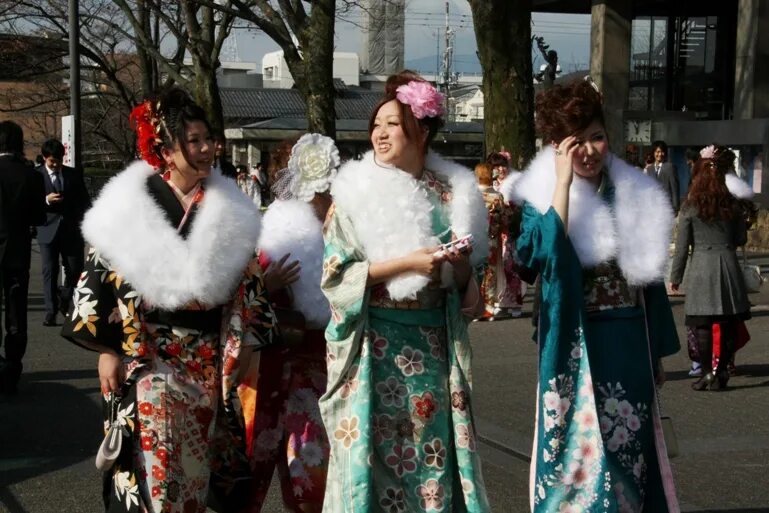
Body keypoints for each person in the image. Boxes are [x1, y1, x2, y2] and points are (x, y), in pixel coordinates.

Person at [60, 88, 279, 513]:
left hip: (206, 359)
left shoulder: (228, 207)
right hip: (147, 353)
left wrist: (249, 340)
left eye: (207, 140)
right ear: (165, 148)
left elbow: (248, 281)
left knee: (194, 472)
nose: (205, 150)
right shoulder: (130, 205)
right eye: (193, 141)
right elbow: (103, 274)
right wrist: (106, 350)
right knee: (154, 472)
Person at [320, 71, 491, 512]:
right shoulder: (354, 194)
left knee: (430, 460)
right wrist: (406, 265)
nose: (379, 133)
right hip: (375, 352)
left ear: (423, 129)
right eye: (376, 125)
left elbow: (472, 300)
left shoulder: (454, 195)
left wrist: (461, 269)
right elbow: (336, 279)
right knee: (377, 463)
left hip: (433, 348)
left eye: (392, 124)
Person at [510, 79, 680, 512]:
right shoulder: (540, 193)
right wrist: (562, 187)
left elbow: (650, 281)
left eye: (597, 137)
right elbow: (535, 258)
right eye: (575, 141)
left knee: (630, 441)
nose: (588, 150)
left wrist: (656, 350)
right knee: (573, 444)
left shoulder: (634, 191)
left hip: (627, 338)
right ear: (556, 145)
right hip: (572, 338)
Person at [246, 133, 339, 512]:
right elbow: (243, 299)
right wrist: (264, 286)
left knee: (309, 463)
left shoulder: (335, 225)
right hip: (282, 360)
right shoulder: (274, 229)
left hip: (314, 362)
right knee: (276, 459)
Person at [670, 145, 751, 391]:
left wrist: (676, 277)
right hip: (727, 267)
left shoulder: (689, 207)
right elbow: (740, 240)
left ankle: (706, 373)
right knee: (727, 323)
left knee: (702, 324)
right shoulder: (733, 205)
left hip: (701, 270)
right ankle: (721, 372)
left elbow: (682, 247)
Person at [0, 121, 45, 394]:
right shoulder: (32, 176)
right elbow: (39, 217)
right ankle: (12, 369)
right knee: (16, 313)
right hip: (18, 253)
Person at [35, 138, 91, 326]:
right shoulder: (36, 176)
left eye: (59, 160)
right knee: (49, 270)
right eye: (52, 161)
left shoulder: (73, 175)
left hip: (71, 229)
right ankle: (50, 312)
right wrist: (46, 200)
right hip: (46, 228)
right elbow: (30, 203)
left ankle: (65, 296)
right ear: (44, 158)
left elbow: (84, 200)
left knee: (75, 269)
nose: (56, 164)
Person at [475, 162, 515, 320]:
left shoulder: (473, 195)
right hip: (492, 239)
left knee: (475, 272)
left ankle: (475, 306)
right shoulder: (497, 196)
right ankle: (489, 308)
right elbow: (505, 219)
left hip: (475, 238)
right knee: (490, 273)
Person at [644, 140, 679, 214]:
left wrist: (675, 208)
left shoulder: (670, 167)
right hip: (652, 207)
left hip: (666, 208)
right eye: (657, 152)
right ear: (653, 153)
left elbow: (674, 188)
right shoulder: (649, 169)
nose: (660, 154)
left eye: (662, 152)